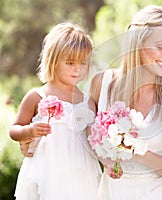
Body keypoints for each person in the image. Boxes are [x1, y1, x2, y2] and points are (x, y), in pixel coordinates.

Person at [88, 5, 162, 200]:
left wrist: (137, 151)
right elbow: (85, 131)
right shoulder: (101, 84)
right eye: (161, 46)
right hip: (112, 193)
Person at [9, 22, 102, 200]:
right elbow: (14, 129)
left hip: (80, 175)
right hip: (47, 172)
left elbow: (93, 139)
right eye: (70, 62)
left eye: (83, 63)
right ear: (53, 60)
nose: (78, 68)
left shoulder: (88, 102)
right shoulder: (37, 96)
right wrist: (29, 131)